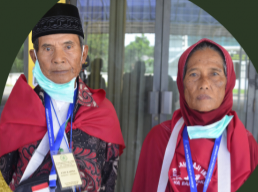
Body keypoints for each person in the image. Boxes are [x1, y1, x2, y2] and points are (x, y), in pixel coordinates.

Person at [0, 3, 125, 192]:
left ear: (84, 54)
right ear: (34, 57)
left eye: (68, 46)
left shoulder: (103, 111)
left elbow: (109, 178)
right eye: (48, 48)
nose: (58, 58)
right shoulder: (18, 109)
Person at [132, 38, 258, 192]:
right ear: (182, 83)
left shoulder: (245, 144)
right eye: (193, 74)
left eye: (214, 73)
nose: (204, 83)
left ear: (228, 82)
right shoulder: (159, 139)